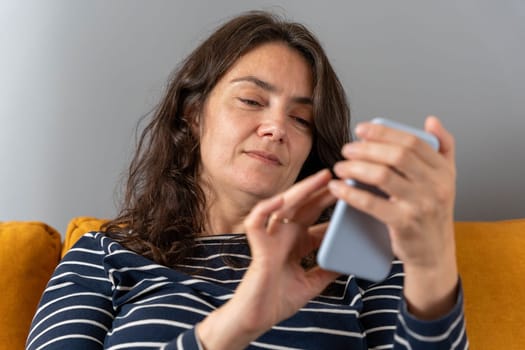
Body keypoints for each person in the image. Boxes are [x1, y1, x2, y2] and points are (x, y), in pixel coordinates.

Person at [26, 11, 468, 350]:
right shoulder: (105, 254)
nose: (277, 128)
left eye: (300, 118)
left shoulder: (359, 260)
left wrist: (433, 265)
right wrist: (236, 324)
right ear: (193, 114)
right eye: (252, 100)